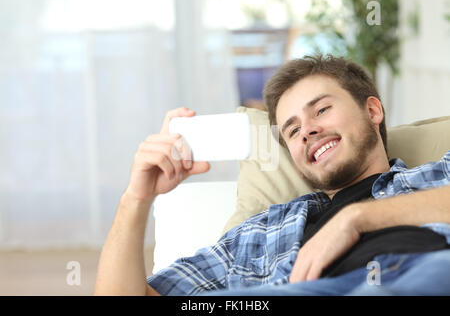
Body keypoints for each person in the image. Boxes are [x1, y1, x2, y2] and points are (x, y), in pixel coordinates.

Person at [94, 54, 450, 296]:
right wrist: (136, 199)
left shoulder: (437, 175)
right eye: (292, 131)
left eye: (321, 109)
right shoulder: (257, 234)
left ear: (372, 110)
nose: (307, 131)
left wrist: (356, 219)